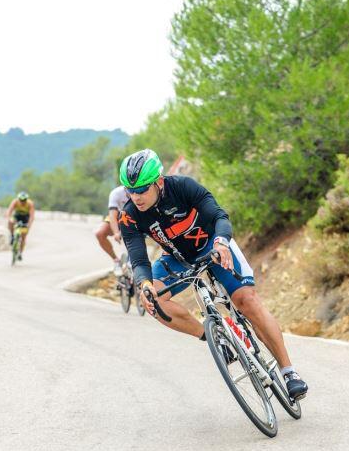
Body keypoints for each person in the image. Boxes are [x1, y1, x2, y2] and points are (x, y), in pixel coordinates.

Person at [118, 149, 308, 401]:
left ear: (159, 182)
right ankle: (211, 337)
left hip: (213, 246)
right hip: (177, 259)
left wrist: (221, 243)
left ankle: (289, 372)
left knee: (246, 301)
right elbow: (138, 258)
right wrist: (144, 283)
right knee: (152, 302)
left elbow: (219, 215)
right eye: (130, 190)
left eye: (142, 189)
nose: (136, 196)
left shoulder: (183, 187)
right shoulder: (130, 216)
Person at [95, 185, 129, 276]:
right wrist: (116, 232)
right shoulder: (116, 193)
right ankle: (116, 260)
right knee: (100, 233)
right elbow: (112, 215)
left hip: (135, 218)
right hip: (118, 217)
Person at [6, 191, 35, 259]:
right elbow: (9, 211)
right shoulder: (15, 202)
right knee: (11, 222)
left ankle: (20, 253)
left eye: (24, 200)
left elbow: (32, 216)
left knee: (23, 237)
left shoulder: (30, 204)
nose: (22, 202)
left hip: (25, 218)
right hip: (17, 216)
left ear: (26, 199)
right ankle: (12, 235)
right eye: (21, 200)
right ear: (18, 199)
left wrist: (29, 225)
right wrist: (9, 218)